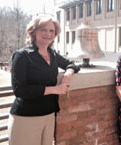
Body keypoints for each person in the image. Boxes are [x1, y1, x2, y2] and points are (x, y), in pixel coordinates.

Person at [8, 15, 80, 145]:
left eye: (52, 31)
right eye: (43, 29)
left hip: (49, 115)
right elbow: (20, 90)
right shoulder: (22, 55)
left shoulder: (52, 54)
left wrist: (68, 74)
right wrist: (55, 89)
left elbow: (71, 64)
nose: (48, 34)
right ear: (34, 31)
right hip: (26, 117)